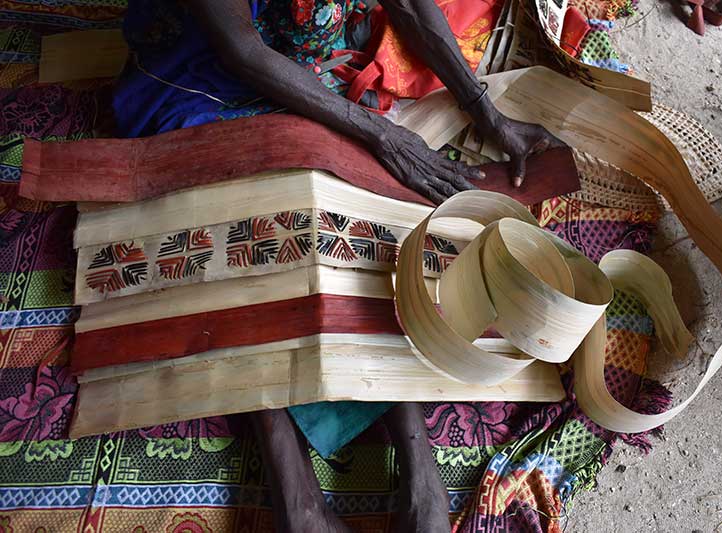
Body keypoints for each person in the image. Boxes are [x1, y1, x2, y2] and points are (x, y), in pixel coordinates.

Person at [113, 1, 563, 531]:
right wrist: (378, 133)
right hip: (206, 69)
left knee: (362, 211)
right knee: (249, 224)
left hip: (301, 55)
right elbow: (240, 49)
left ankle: (418, 468)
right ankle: (293, 487)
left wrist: (485, 110)